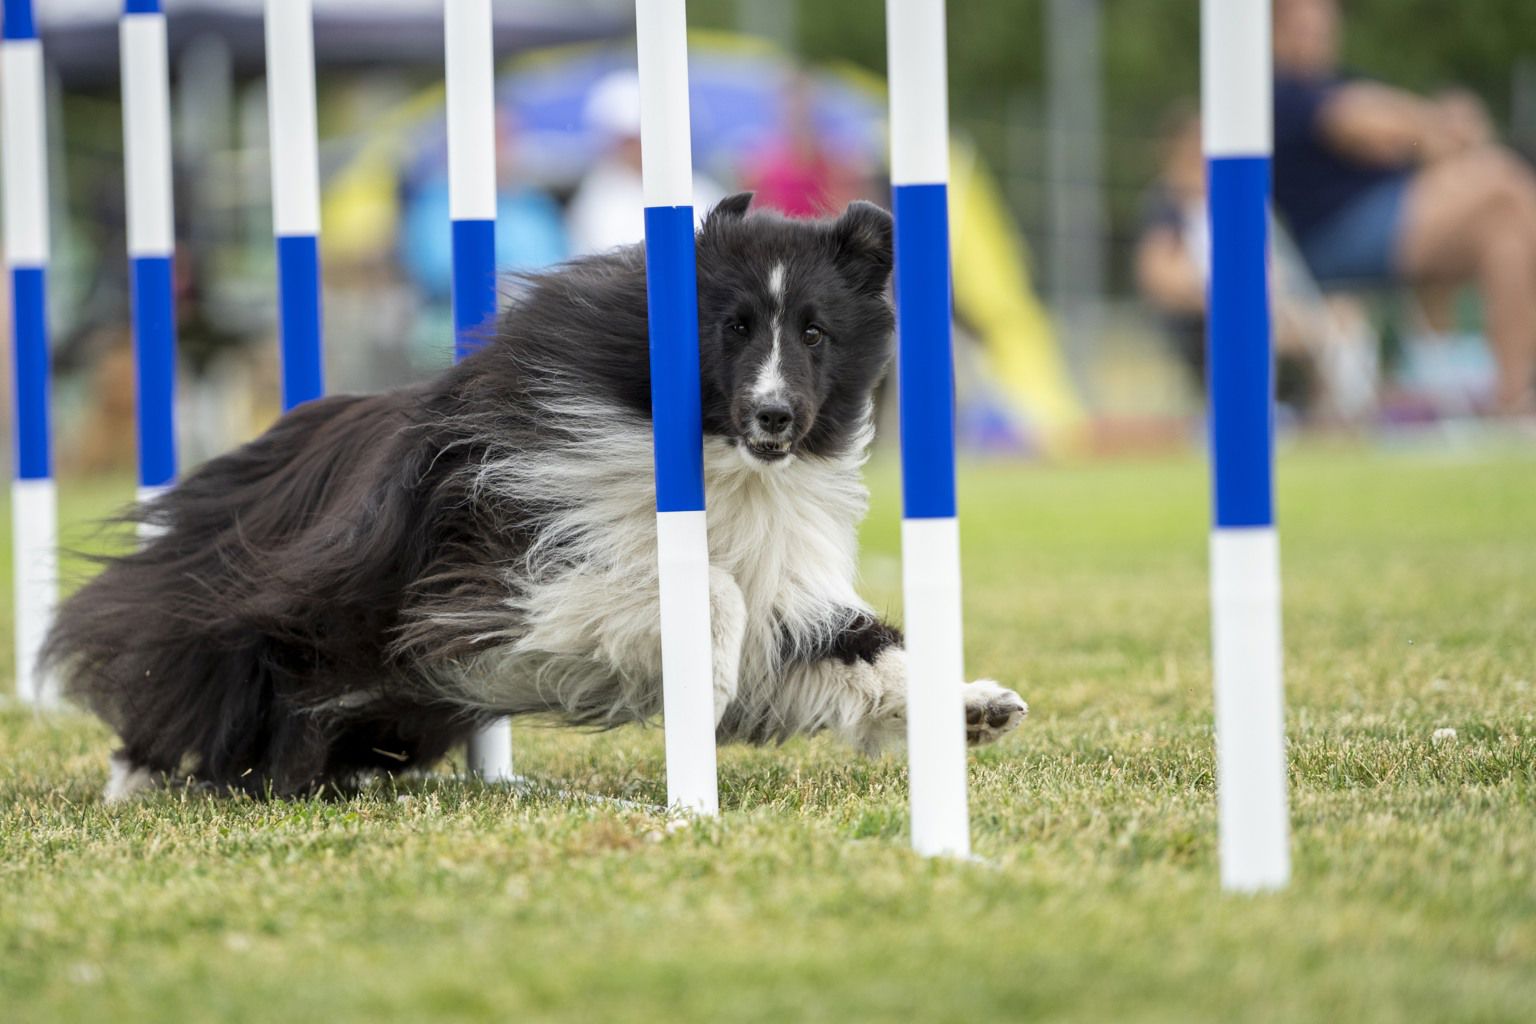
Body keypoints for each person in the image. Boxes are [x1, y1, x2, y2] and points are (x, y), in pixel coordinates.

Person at [1271, 0, 1536, 416]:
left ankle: (1513, 400)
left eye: (1322, 27)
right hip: (1337, 241)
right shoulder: (1283, 93)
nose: (1317, 37)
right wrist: (1440, 123)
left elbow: (1398, 132)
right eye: (1303, 27)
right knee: (1503, 183)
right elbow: (1358, 121)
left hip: (1391, 221)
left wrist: (1439, 135)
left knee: (1506, 236)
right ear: (1275, 31)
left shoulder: (1339, 80)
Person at [1135, 106, 1378, 420]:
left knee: (1344, 314)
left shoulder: (1238, 198)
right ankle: (1262, 415)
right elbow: (1159, 277)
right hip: (1210, 320)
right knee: (1267, 327)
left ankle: (1344, 415)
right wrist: (1223, 292)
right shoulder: (1167, 205)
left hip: (1269, 305)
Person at [566, 70, 725, 255]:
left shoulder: (701, 190)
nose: (641, 146)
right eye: (631, 139)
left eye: (646, 135)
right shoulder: (595, 203)